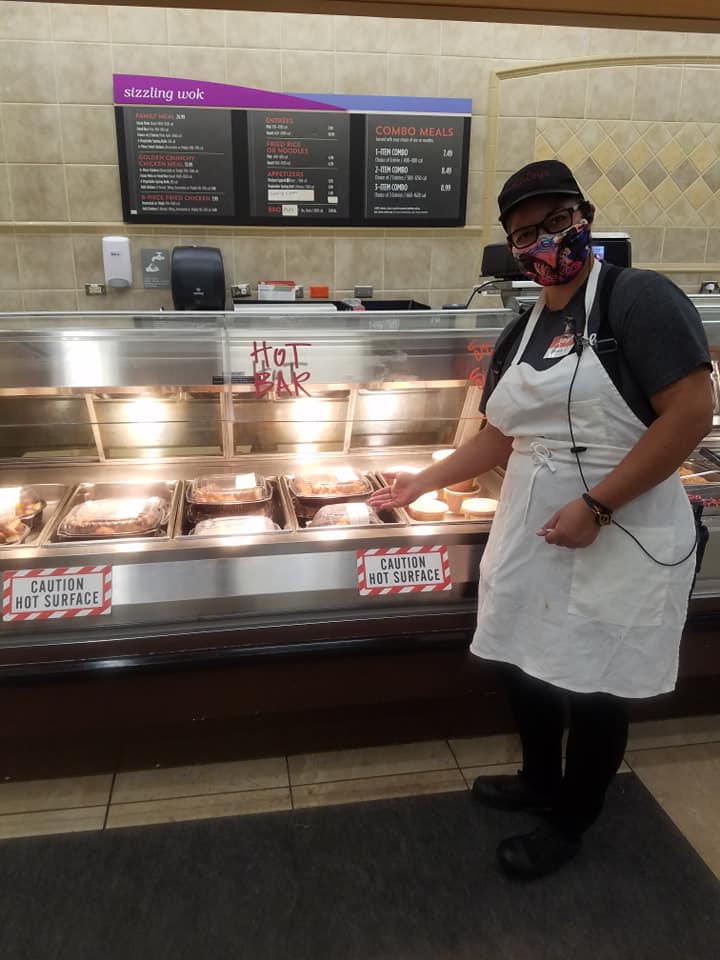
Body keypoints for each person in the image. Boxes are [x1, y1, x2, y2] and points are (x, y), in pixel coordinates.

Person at [369, 159, 714, 880]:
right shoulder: (521, 329)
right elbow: (500, 436)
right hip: (532, 527)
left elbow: (689, 413)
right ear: (512, 247)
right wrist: (422, 481)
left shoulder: (639, 299)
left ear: (584, 218)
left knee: (595, 681)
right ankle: (537, 779)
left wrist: (597, 506)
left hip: (620, 527)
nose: (545, 241)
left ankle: (570, 819)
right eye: (526, 233)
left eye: (557, 221)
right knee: (525, 660)